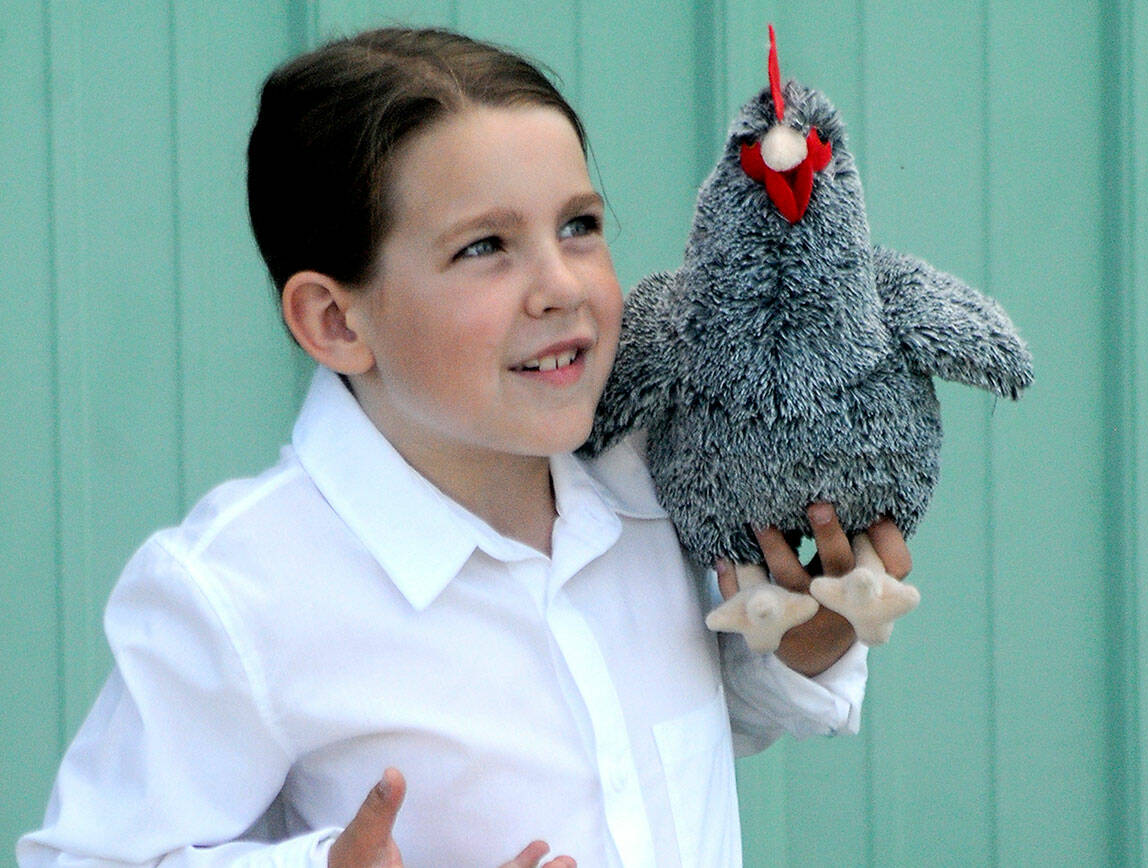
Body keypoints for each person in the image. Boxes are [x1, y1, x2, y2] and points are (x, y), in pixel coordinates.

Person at [17, 27, 912, 867]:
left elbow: (676, 733)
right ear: (334, 321)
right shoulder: (239, 590)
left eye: (578, 226)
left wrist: (805, 644)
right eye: (485, 246)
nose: (560, 286)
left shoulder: (654, 485)